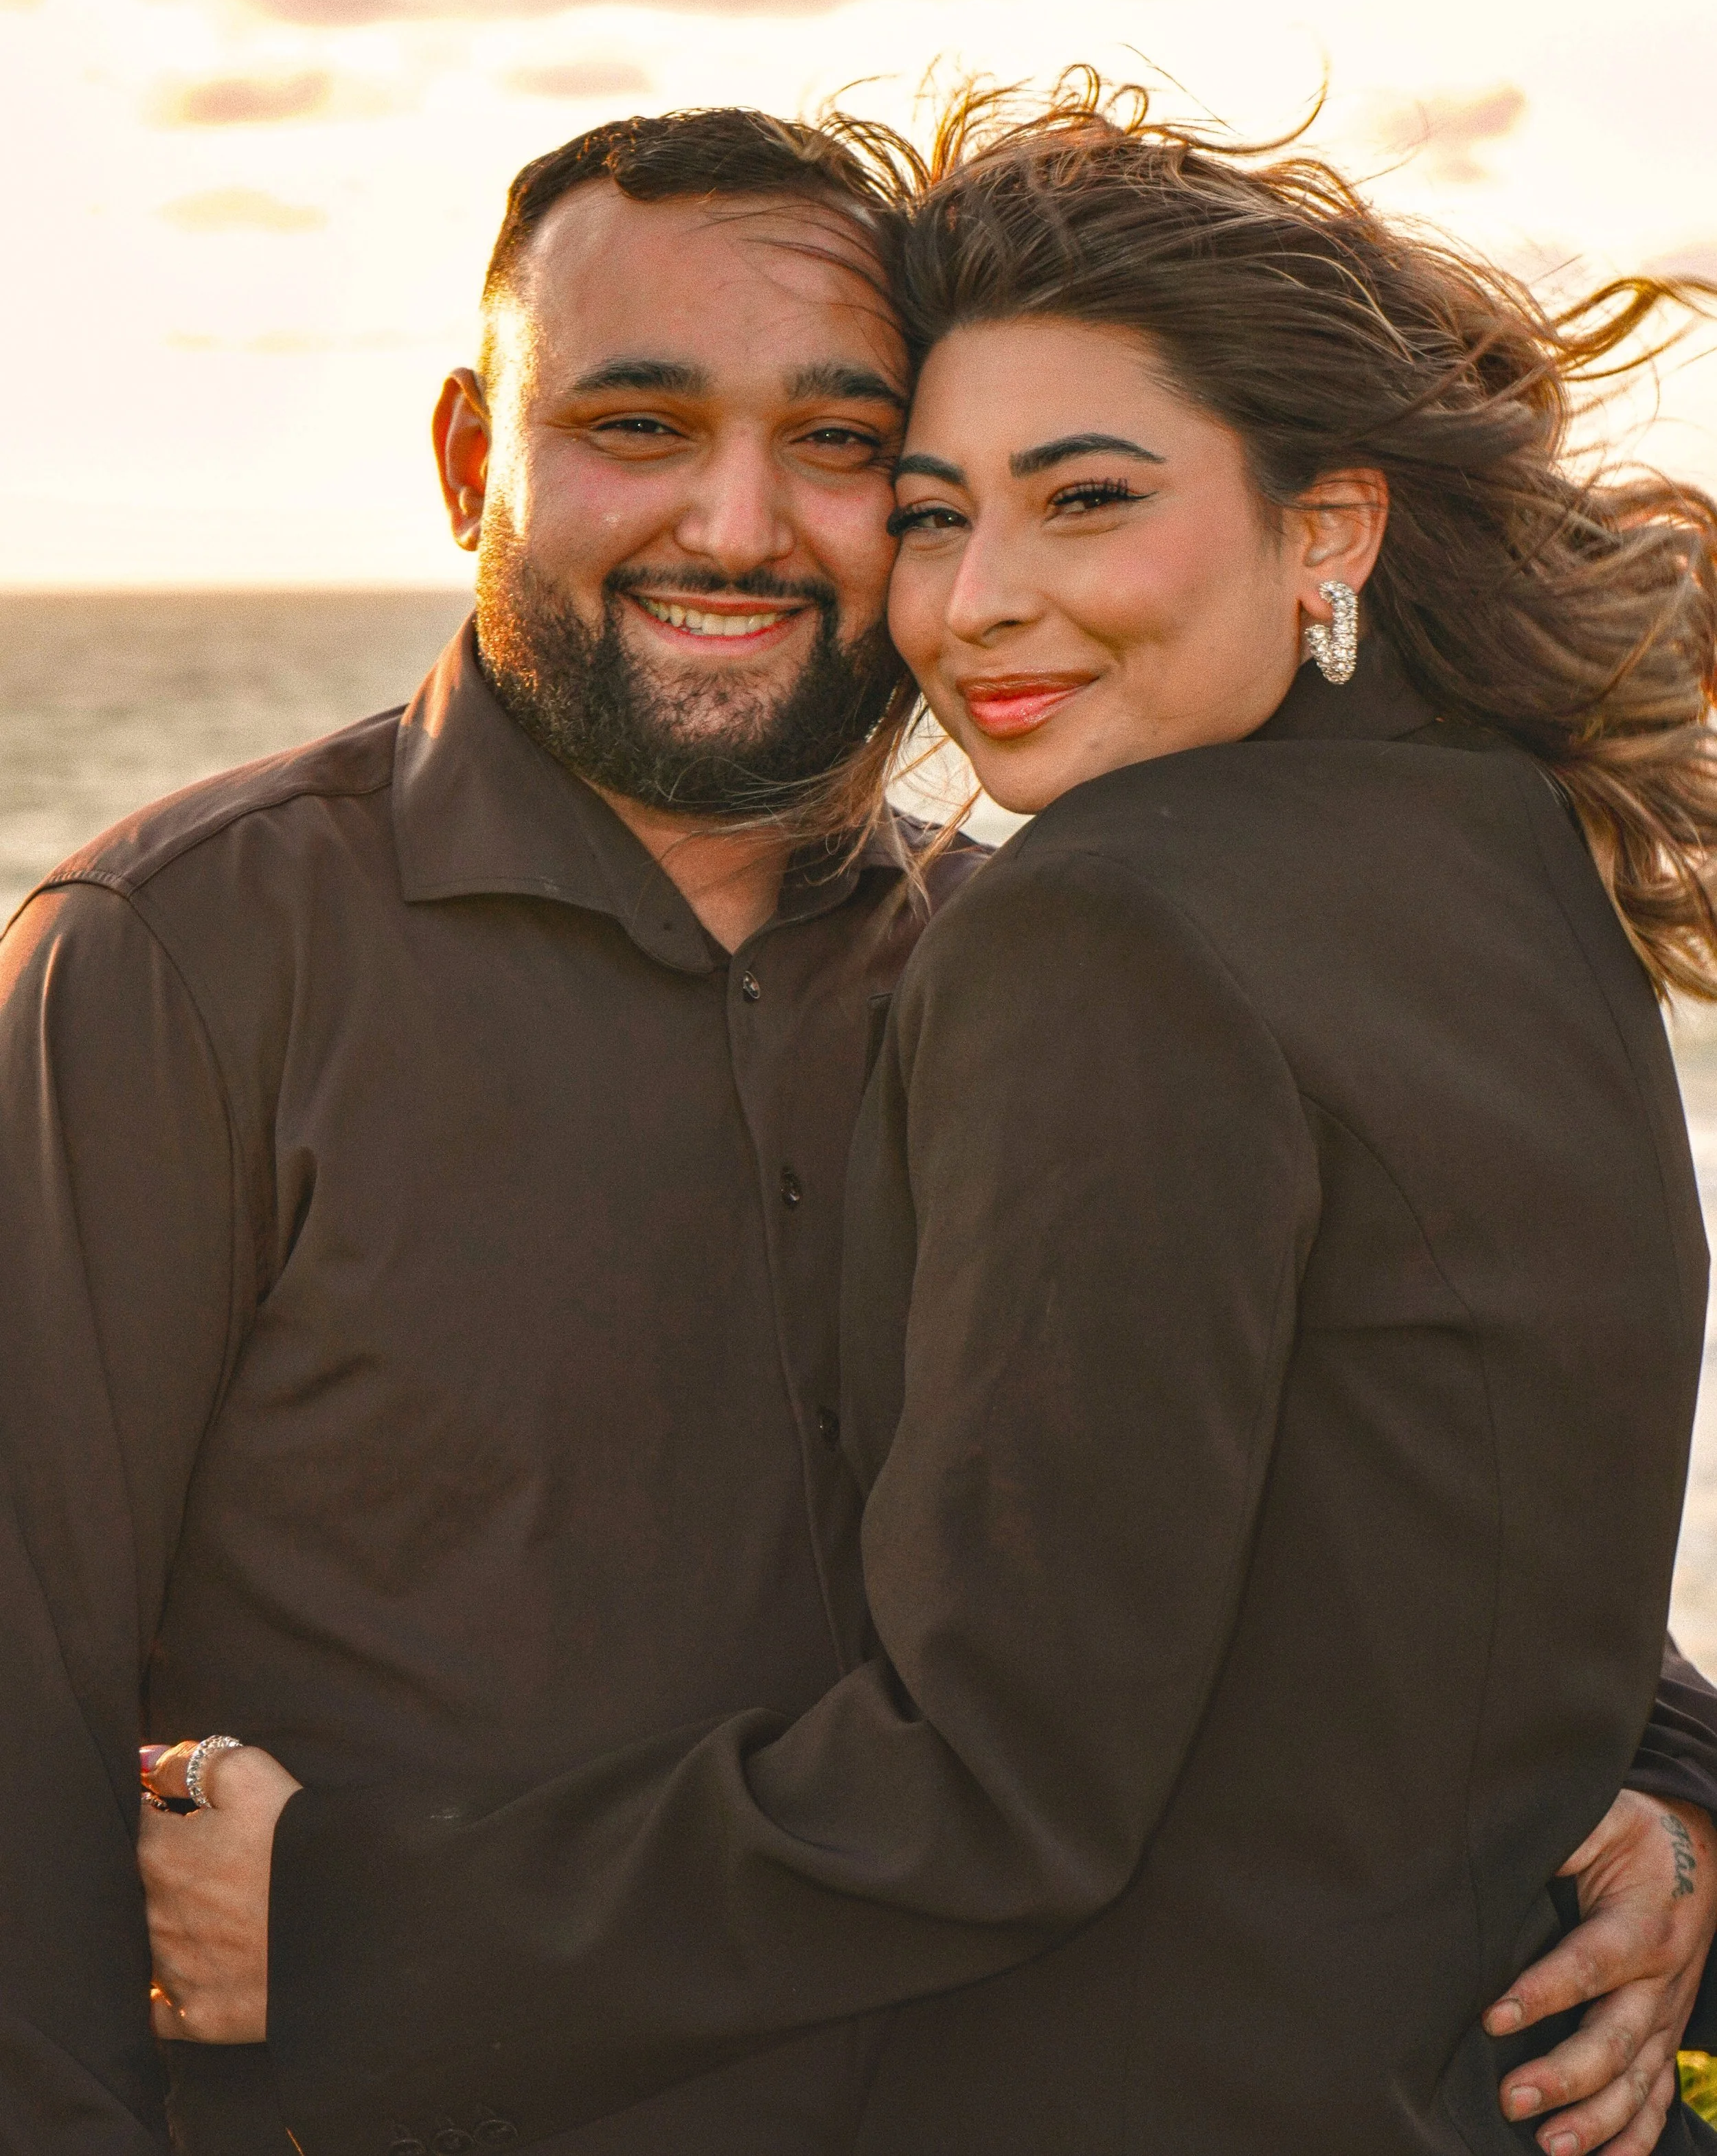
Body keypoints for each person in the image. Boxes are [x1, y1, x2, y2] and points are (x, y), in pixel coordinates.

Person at [0, 104, 1707, 2156]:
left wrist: (1675, 1791)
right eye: (637, 424)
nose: (739, 525)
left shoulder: (1070, 959)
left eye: (837, 453)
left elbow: (1401, 1473)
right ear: (473, 461)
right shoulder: (175, 959)